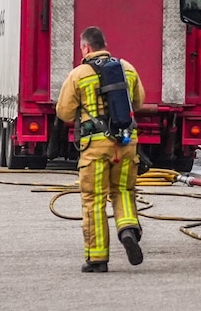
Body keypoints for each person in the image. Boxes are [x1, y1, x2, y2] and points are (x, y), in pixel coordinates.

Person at [56, 26, 146, 273]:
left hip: (95, 149)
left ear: (85, 47)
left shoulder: (79, 74)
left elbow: (63, 112)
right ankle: (127, 229)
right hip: (126, 145)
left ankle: (97, 259)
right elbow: (138, 101)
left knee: (94, 200)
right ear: (104, 44)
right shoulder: (127, 68)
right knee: (124, 191)